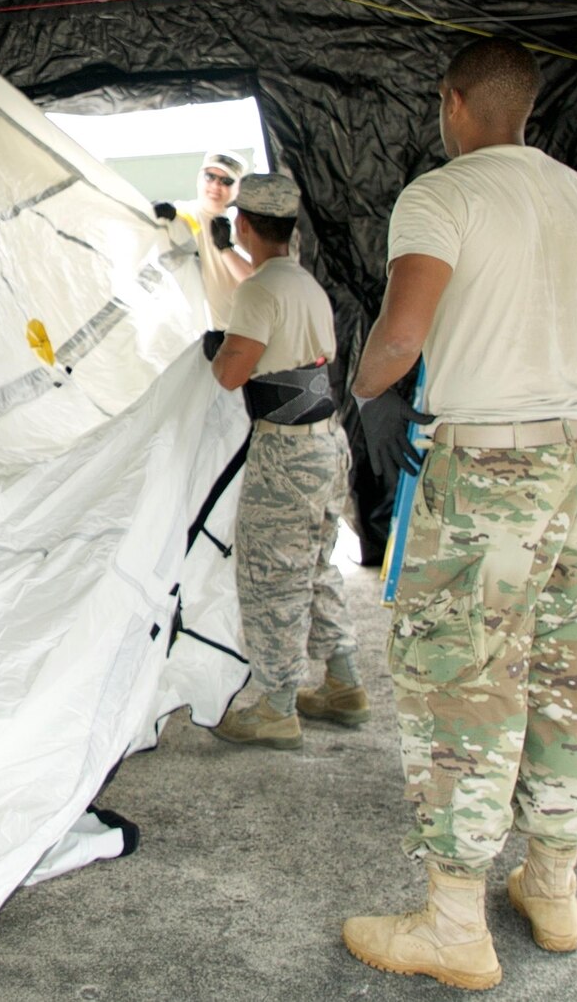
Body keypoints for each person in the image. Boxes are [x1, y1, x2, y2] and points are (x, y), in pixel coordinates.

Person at [339, 41, 577, 990]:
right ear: (526, 110)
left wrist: (361, 387)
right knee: (563, 671)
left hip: (484, 463)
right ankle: (554, 885)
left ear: (453, 103)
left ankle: (455, 922)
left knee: (463, 680)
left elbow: (403, 332)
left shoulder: (442, 194)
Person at [203, 173, 369, 750]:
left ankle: (276, 705)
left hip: (287, 451)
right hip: (327, 443)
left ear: (244, 225)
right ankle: (344, 682)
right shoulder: (304, 285)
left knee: (272, 576)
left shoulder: (258, 293)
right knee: (317, 564)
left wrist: (216, 347)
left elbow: (230, 374)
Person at [154, 151, 253, 328]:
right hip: (191, 331)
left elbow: (259, 282)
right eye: (210, 177)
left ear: (237, 188)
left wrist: (227, 248)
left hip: (235, 330)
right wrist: (154, 214)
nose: (216, 185)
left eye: (226, 181)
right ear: (199, 179)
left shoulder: (244, 226)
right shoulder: (178, 215)